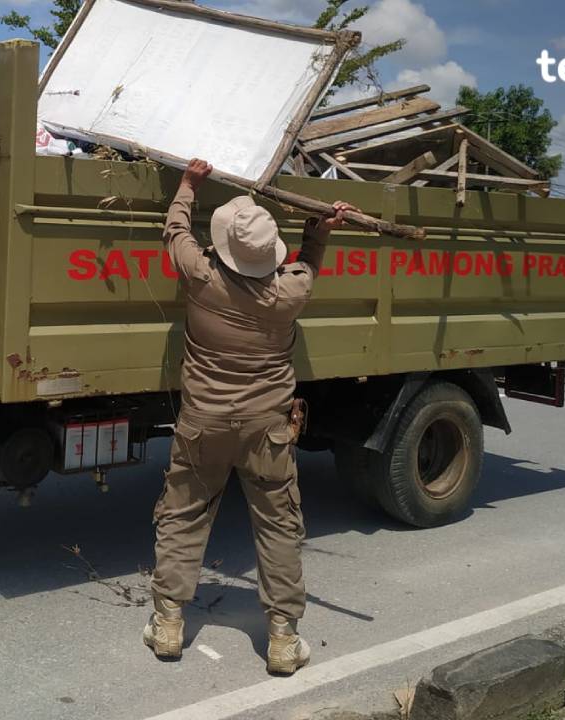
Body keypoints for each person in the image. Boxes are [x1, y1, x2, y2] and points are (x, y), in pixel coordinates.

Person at [143, 158, 359, 676]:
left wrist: (189, 185)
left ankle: (168, 623)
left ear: (223, 247)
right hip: (269, 428)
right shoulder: (291, 292)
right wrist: (320, 227)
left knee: (184, 514)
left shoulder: (202, 276)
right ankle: (283, 638)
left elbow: (175, 230)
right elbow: (309, 259)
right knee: (278, 524)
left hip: (204, 425)